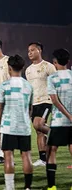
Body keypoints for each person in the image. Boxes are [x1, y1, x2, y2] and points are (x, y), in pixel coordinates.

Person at [0, 54, 34, 190]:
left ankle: (10, 187)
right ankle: (27, 187)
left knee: (8, 156)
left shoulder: (4, 86)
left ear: (9, 68)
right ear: (22, 67)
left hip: (8, 127)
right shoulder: (28, 86)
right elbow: (30, 108)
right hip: (24, 127)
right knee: (26, 155)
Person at [25, 42, 56, 167]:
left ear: (39, 50)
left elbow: (55, 83)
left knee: (39, 124)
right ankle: (43, 159)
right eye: (28, 51)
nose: (30, 53)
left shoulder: (48, 67)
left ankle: (59, 135)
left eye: (32, 50)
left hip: (46, 100)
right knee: (38, 130)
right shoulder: (28, 70)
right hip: (34, 103)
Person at [45, 48, 72, 190]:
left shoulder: (52, 78)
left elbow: (54, 101)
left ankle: (52, 186)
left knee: (52, 150)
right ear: (68, 61)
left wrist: (68, 115)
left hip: (58, 121)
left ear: (54, 62)